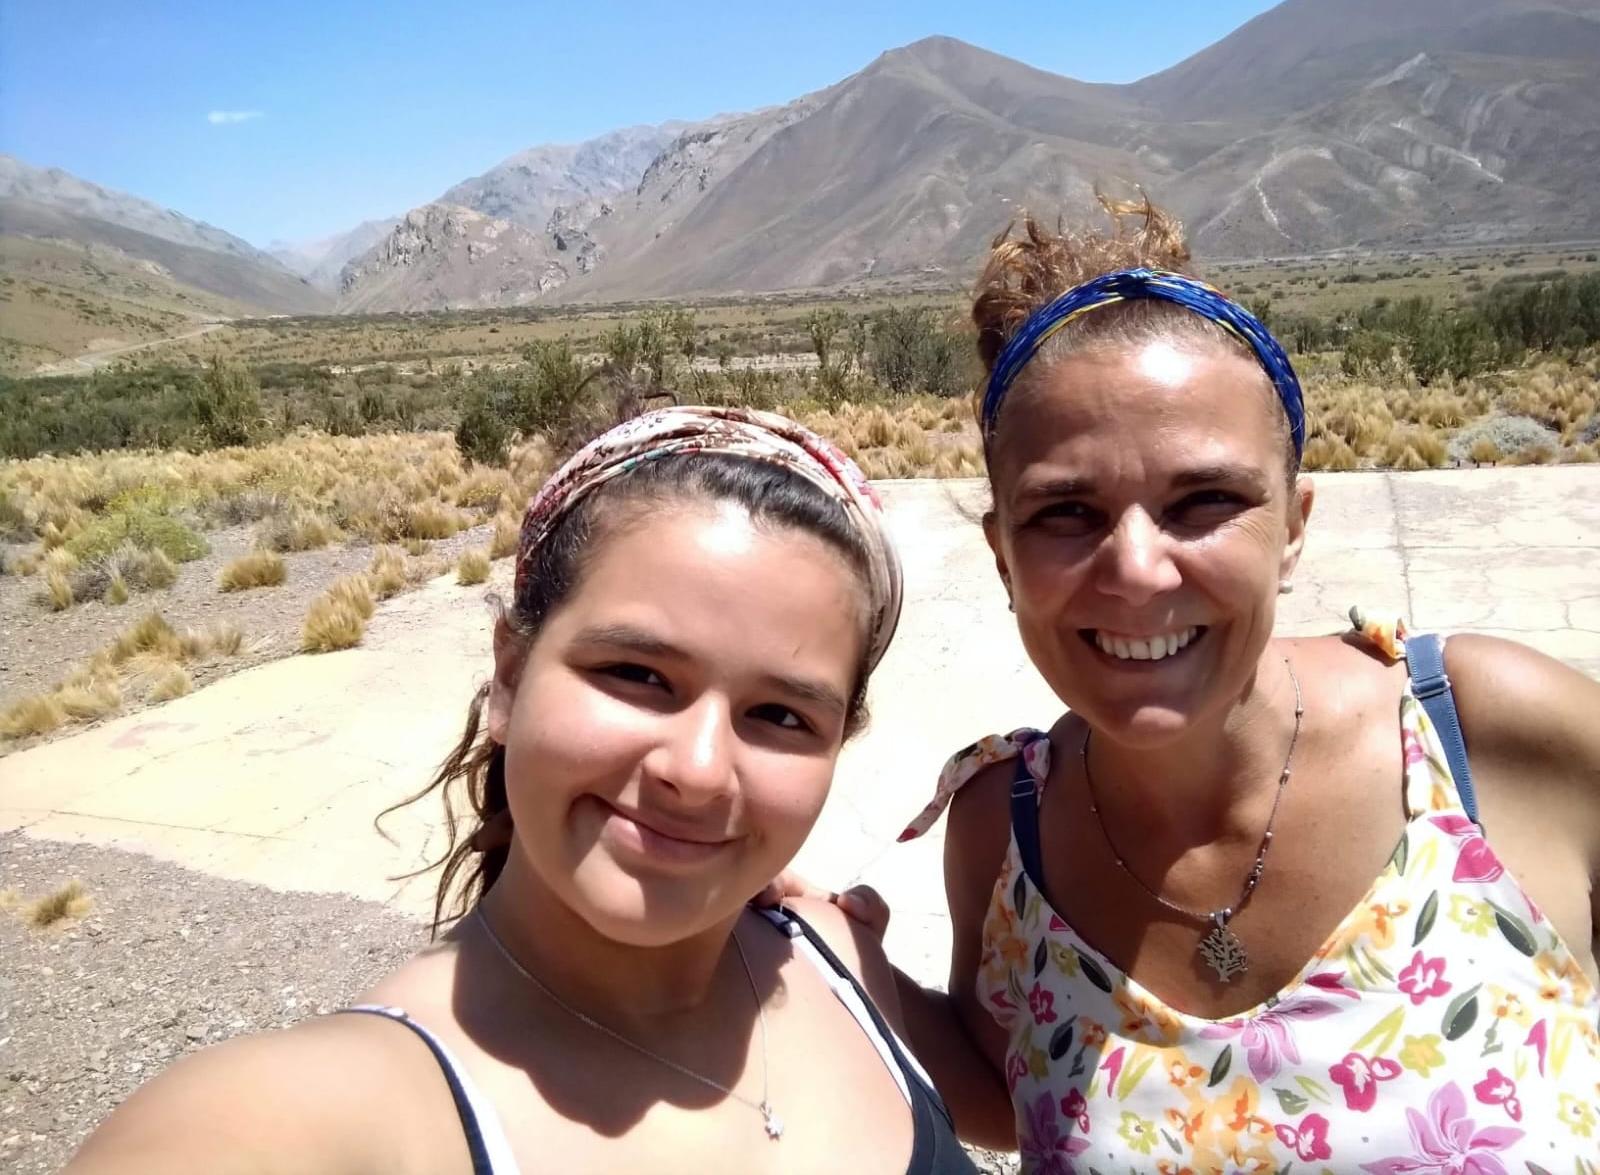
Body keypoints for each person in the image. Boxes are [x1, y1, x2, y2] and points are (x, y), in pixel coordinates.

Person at [796, 201, 1600, 1171]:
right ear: (1002, 557)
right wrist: (849, 956)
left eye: (1204, 501)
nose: (1136, 569)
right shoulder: (1001, 829)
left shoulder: (1483, 736)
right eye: (1064, 511)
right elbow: (1018, 1097)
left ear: (1294, 524)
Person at [65, 406, 983, 1175]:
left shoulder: (837, 959)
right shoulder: (308, 1122)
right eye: (635, 674)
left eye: (781, 717)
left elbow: (1067, 1091)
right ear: (509, 675)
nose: (698, 771)